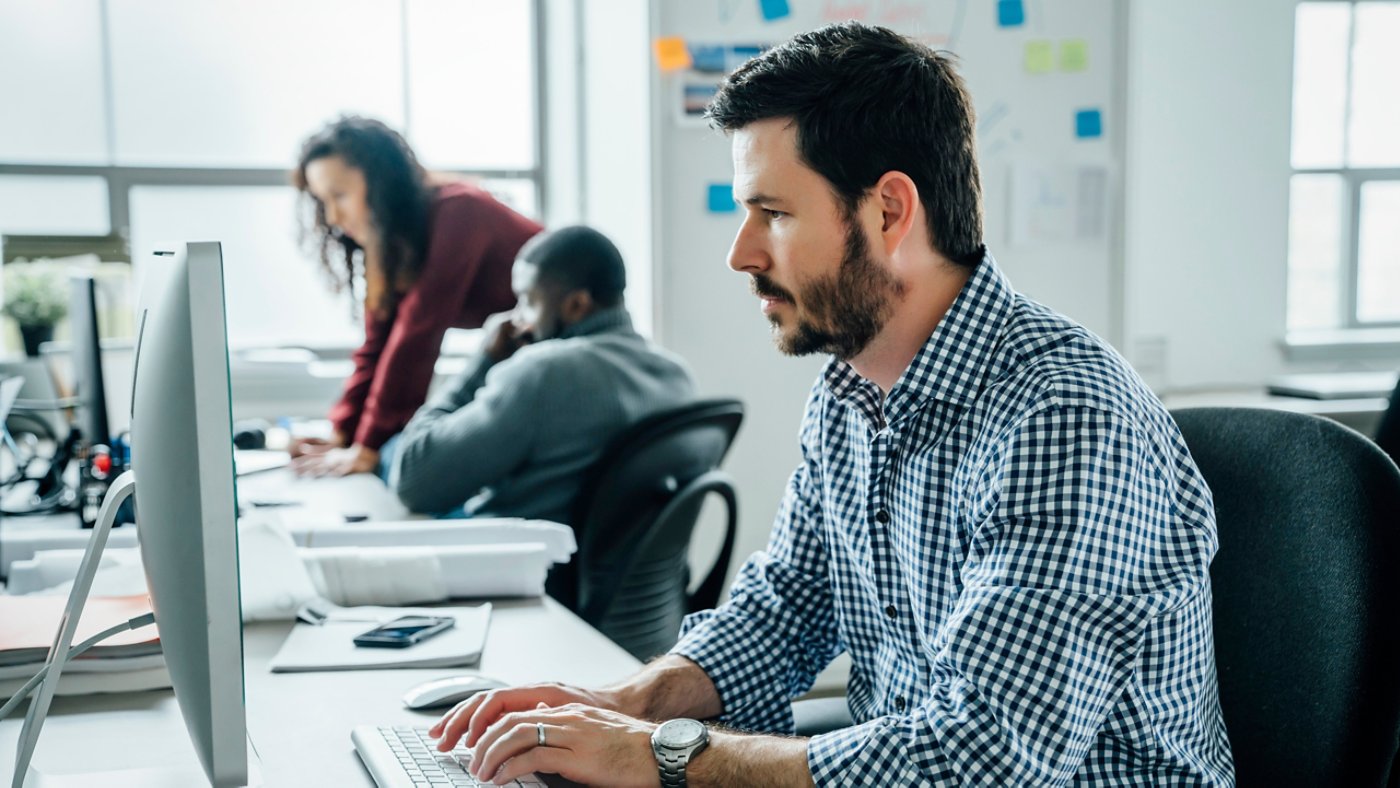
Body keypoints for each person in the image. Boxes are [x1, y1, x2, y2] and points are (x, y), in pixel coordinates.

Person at [428, 22, 1234, 787]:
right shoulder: (850, 394)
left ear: (888, 211)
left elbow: (986, 759)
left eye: (773, 214)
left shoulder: (1062, 414)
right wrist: (621, 707)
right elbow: (784, 610)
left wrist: (667, 759)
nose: (741, 253)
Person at [387, 225, 697, 525]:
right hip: (635, 577)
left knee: (391, 454)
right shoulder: (678, 376)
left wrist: (483, 360)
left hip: (525, 569)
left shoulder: (543, 372)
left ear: (576, 305)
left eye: (529, 301)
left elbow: (414, 481)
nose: (518, 318)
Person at [289, 116, 542, 477]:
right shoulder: (392, 244)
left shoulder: (460, 211)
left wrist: (369, 446)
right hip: (526, 350)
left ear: (381, 184)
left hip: (574, 341)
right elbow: (377, 344)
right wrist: (343, 432)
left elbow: (417, 334)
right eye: (322, 201)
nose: (331, 216)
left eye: (340, 195)